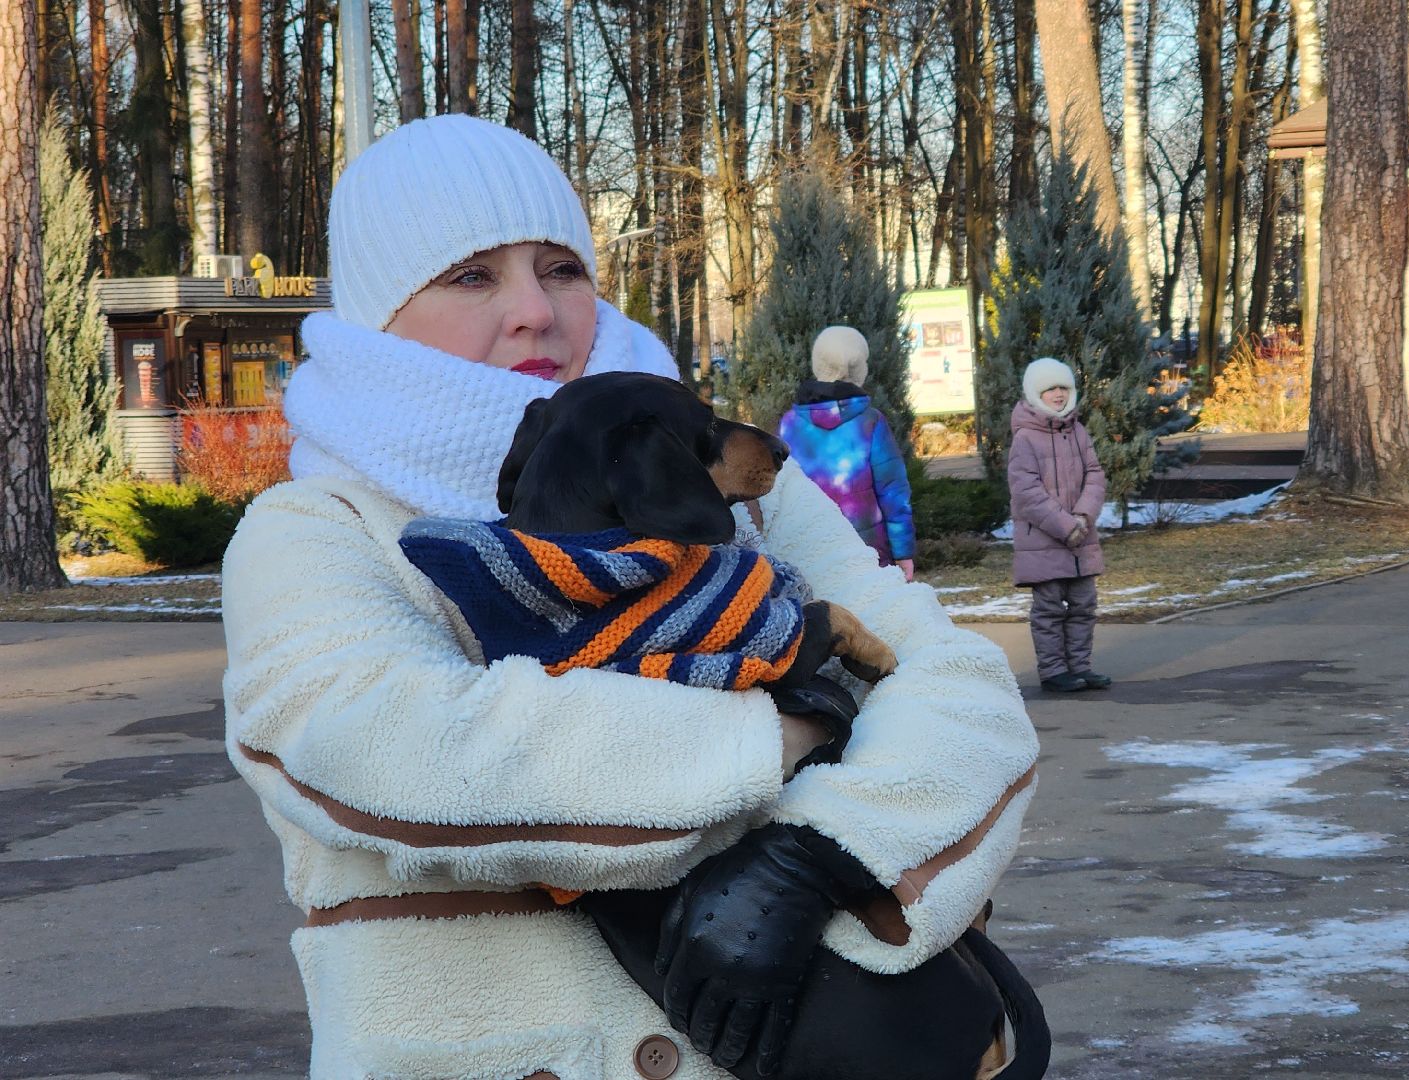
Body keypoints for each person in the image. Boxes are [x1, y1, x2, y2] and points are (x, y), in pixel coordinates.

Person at [221, 115, 1041, 1080]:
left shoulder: (721, 483)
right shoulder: (317, 528)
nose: (537, 310)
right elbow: (394, 752)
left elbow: (960, 688)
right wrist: (780, 736)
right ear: (376, 315)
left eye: (563, 267)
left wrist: (827, 854)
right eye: (473, 276)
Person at [778, 326, 918, 580]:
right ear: (859, 370)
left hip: (807, 553)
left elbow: (780, 494)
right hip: (868, 556)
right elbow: (894, 493)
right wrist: (903, 553)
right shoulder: (871, 422)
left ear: (817, 365)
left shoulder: (789, 425)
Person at [1008, 357, 1110, 693]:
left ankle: (1080, 667)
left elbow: (1095, 475)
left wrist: (1083, 515)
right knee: (1049, 608)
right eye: (1050, 388)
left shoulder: (1078, 431)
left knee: (1083, 604)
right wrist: (1066, 525)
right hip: (1044, 539)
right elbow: (1026, 493)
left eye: (1063, 387)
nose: (1058, 394)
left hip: (1081, 536)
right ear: (1036, 393)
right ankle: (1053, 671)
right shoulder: (1025, 438)